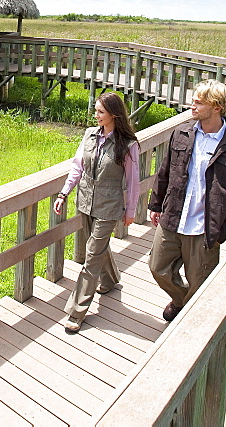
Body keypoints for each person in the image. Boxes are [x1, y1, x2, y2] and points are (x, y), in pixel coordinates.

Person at [148, 79, 226, 322]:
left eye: (199, 102)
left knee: (200, 281)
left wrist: (221, 233)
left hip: (205, 227)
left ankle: (188, 320)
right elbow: (165, 171)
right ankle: (181, 301)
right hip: (174, 216)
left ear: (217, 107)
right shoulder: (181, 133)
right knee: (158, 268)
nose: (192, 106)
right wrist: (155, 204)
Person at [54, 91, 140, 333]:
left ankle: (76, 311)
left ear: (114, 114)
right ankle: (111, 279)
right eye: (96, 110)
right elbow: (77, 167)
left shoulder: (128, 145)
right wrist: (64, 193)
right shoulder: (89, 135)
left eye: (101, 111)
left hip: (109, 206)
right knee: (98, 247)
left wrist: (130, 210)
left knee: (91, 257)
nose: (96, 115)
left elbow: (133, 182)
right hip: (86, 202)